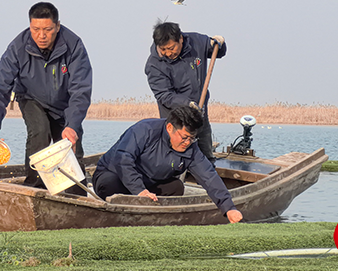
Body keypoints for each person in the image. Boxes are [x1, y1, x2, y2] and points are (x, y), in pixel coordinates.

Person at [0, 2, 92, 194]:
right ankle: (34, 189)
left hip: (65, 104)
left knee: (69, 146)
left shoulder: (73, 45)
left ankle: (77, 196)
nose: (41, 35)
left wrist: (72, 125)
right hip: (31, 97)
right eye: (35, 29)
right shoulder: (18, 46)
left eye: (47, 30)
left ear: (57, 26)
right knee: (40, 131)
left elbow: (80, 90)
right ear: (30, 26)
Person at [92, 106, 243, 223]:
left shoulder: (190, 148)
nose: (187, 143)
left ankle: (150, 217)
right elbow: (123, 158)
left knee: (176, 187)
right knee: (109, 184)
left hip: (150, 183)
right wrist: (139, 190)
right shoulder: (145, 130)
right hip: (114, 175)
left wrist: (228, 208)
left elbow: (209, 176)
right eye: (184, 137)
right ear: (170, 128)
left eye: (192, 138)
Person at [145, 21, 226, 162]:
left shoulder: (197, 42)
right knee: (175, 159)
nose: (167, 53)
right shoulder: (154, 65)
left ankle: (208, 178)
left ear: (180, 39)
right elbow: (164, 95)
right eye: (163, 49)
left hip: (200, 112)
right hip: (175, 118)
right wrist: (188, 104)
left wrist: (219, 44)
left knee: (205, 155)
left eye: (171, 48)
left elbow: (216, 51)